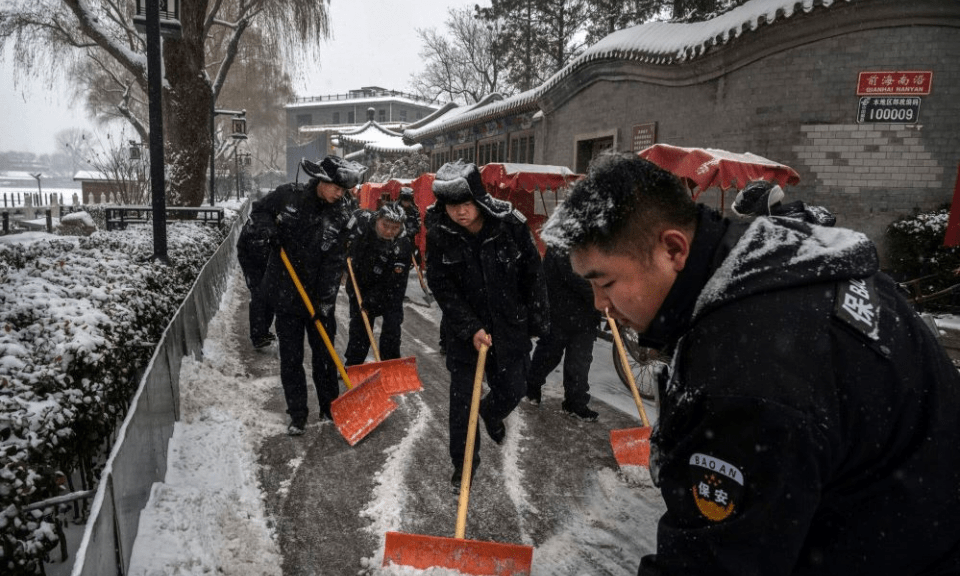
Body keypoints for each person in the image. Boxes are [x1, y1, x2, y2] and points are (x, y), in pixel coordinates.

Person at [540, 152, 960, 575]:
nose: (600, 305)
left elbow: (712, 564)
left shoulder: (747, 373)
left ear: (672, 248)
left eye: (605, 282)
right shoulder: (786, 263)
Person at [425, 160, 548, 488]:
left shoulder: (510, 225)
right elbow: (441, 284)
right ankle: (463, 467)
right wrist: (470, 327)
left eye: (465, 205)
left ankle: (492, 412)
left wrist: (537, 321)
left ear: (479, 199)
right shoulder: (440, 233)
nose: (459, 213)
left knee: (515, 388)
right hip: (467, 334)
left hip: (509, 326)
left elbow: (533, 274)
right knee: (462, 406)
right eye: (452, 207)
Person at [249, 155, 367, 436]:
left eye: (344, 190)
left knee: (325, 357)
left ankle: (329, 408)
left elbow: (335, 261)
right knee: (291, 358)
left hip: (317, 298)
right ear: (322, 182)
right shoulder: (288, 196)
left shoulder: (342, 214)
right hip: (285, 292)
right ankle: (297, 414)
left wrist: (323, 303)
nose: (340, 194)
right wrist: (269, 230)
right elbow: (259, 211)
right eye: (336, 188)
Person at [525, 245, 601, 420]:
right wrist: (600, 293)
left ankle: (575, 403)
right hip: (559, 311)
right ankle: (532, 385)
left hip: (586, 315)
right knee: (549, 354)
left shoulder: (597, 240)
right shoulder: (561, 242)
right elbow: (572, 275)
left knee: (580, 361)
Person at [342, 203, 413, 366]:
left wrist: (378, 298)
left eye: (394, 228)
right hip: (361, 284)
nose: (389, 231)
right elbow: (346, 248)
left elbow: (397, 281)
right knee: (360, 328)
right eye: (385, 226)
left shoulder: (402, 245)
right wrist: (344, 258)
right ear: (378, 220)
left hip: (389, 289)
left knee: (393, 327)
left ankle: (390, 364)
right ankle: (354, 364)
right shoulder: (363, 230)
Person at [236, 197, 276, 349]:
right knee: (259, 301)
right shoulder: (255, 225)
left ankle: (263, 332)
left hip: (266, 268)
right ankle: (258, 336)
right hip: (256, 268)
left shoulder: (266, 223)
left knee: (266, 301)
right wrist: (249, 271)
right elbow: (242, 249)